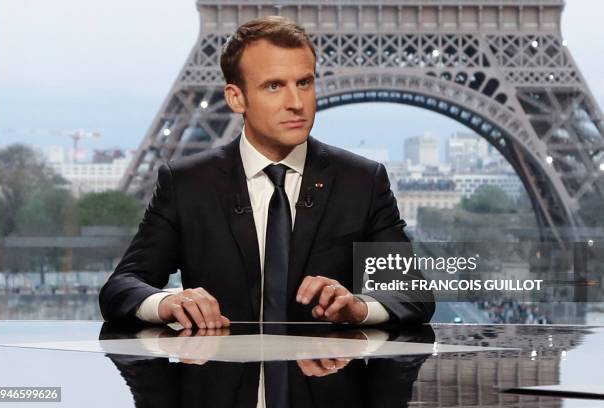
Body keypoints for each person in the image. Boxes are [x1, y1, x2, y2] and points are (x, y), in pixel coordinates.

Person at [99, 16, 434, 328]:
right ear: (235, 98)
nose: (297, 102)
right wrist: (168, 302)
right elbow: (122, 286)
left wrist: (358, 307)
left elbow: (412, 296)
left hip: (326, 381)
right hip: (218, 381)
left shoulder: (361, 182)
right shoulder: (187, 184)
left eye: (304, 83)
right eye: (274, 86)